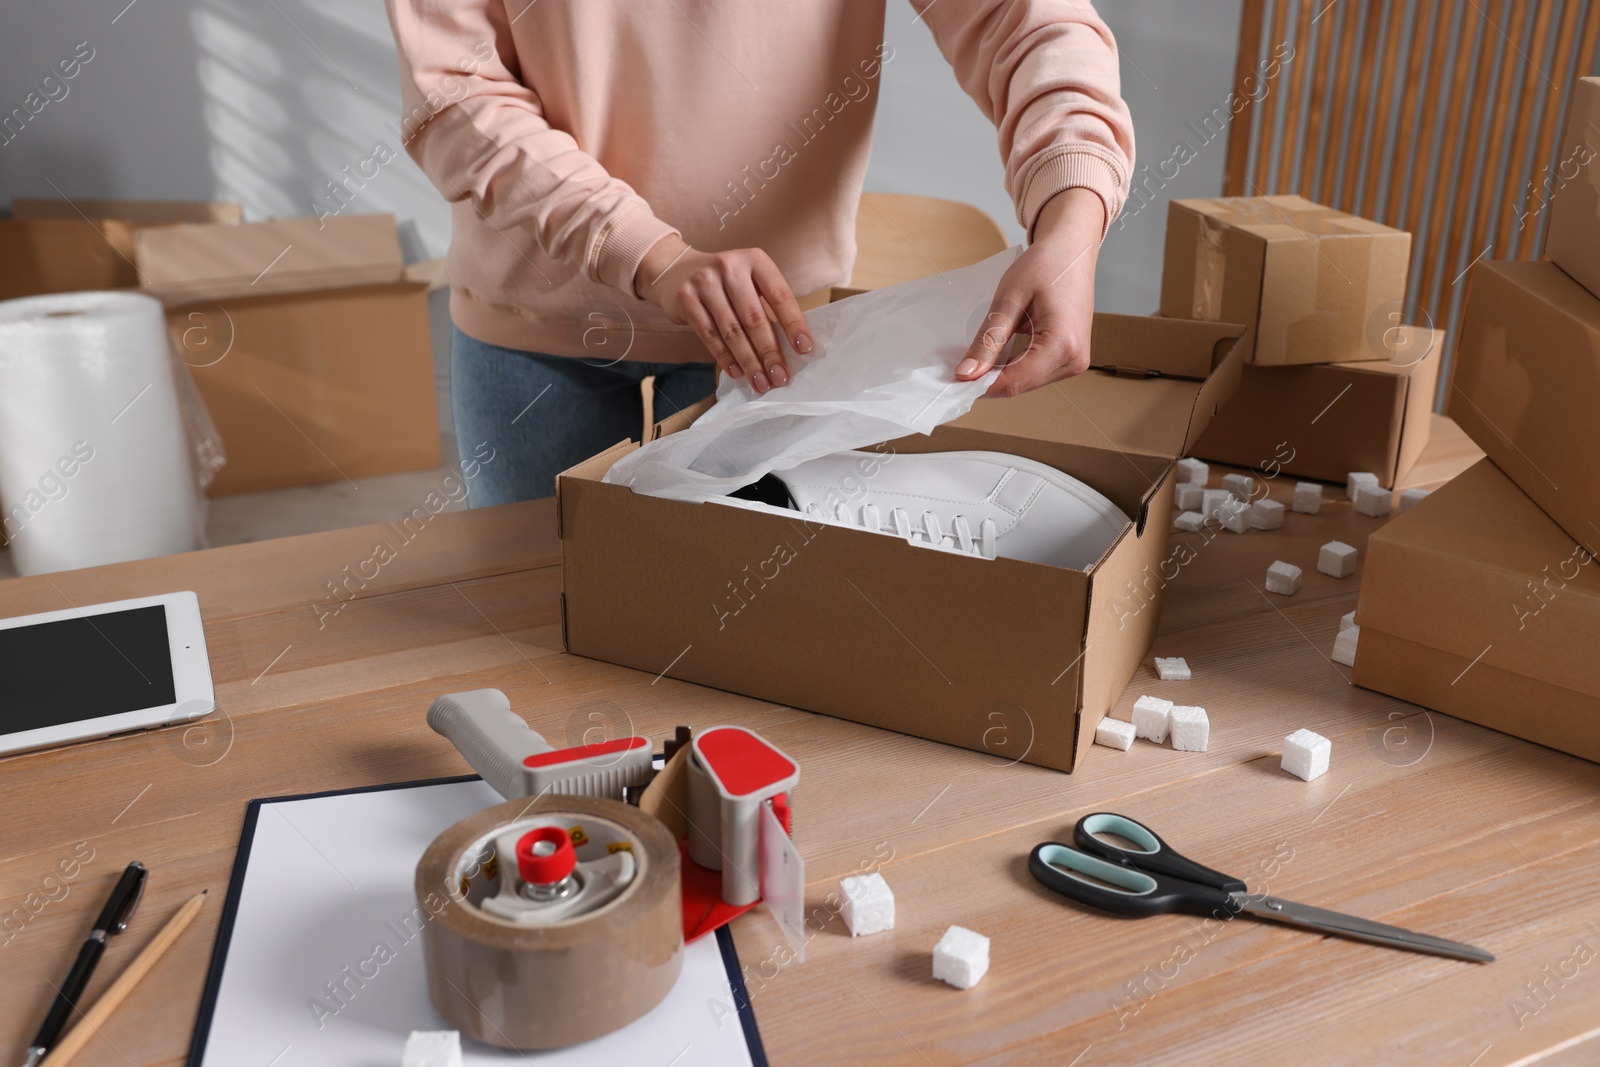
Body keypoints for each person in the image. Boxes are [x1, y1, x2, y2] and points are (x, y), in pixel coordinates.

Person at [384, 1, 1134, 505]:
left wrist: (1072, 217)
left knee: (741, 659)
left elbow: (1025, 20)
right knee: (533, 631)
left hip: (768, 346)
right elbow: (455, 92)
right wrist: (647, 252)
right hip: (537, 334)